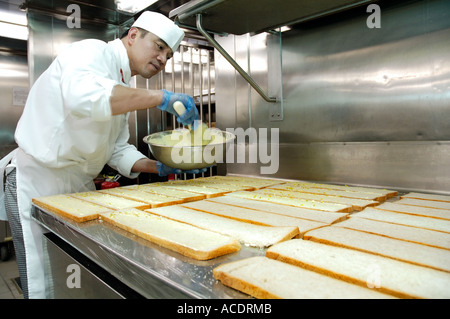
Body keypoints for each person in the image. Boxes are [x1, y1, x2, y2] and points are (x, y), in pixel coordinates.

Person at [0, 11, 204, 298]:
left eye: (169, 56)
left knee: (73, 275)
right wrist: (161, 98)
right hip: (37, 180)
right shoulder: (91, 52)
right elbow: (84, 97)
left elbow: (117, 149)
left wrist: (160, 165)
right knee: (42, 277)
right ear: (133, 35)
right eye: (159, 47)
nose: (162, 59)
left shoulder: (123, 83)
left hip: (79, 188)